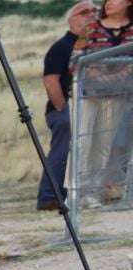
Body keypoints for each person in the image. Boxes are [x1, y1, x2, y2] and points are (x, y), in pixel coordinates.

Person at [75, 0, 133, 203]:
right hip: (88, 94)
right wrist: (96, 76)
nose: (109, 3)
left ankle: (93, 191)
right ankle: (77, 192)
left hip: (116, 97)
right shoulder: (91, 29)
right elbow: (76, 59)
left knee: (103, 145)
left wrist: (118, 75)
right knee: (82, 141)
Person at [43, 4, 99, 209]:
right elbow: (51, 81)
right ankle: (48, 196)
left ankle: (77, 193)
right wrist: (63, 109)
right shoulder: (61, 47)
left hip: (88, 107)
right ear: (71, 19)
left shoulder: (93, 44)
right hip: (65, 109)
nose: (91, 16)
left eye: (95, 12)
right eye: (85, 13)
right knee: (61, 152)